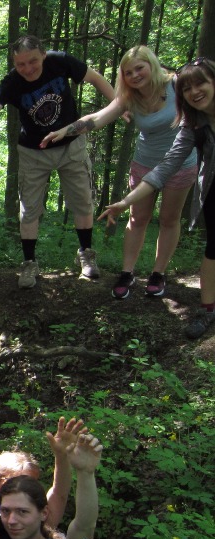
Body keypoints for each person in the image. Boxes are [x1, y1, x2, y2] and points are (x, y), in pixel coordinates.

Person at [0, 36, 116, 289]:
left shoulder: (60, 62)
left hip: (71, 144)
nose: (27, 68)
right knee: (29, 209)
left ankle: (86, 254)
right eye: (21, 64)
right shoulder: (13, 82)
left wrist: (119, 104)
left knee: (82, 200)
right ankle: (29, 263)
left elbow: (95, 78)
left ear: (44, 55)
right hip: (33, 152)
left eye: (32, 61)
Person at [45, 47, 197, 300]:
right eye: (128, 72)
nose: (135, 75)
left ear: (151, 65)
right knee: (138, 218)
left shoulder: (176, 84)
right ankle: (127, 273)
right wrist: (67, 130)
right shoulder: (129, 98)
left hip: (181, 164)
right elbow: (97, 118)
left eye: (140, 68)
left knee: (170, 219)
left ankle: (158, 274)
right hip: (145, 164)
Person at [99, 57, 215, 339]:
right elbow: (165, 167)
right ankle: (208, 310)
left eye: (201, 83)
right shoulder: (193, 125)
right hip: (213, 189)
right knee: (213, 250)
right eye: (187, 88)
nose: (194, 92)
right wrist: (126, 201)